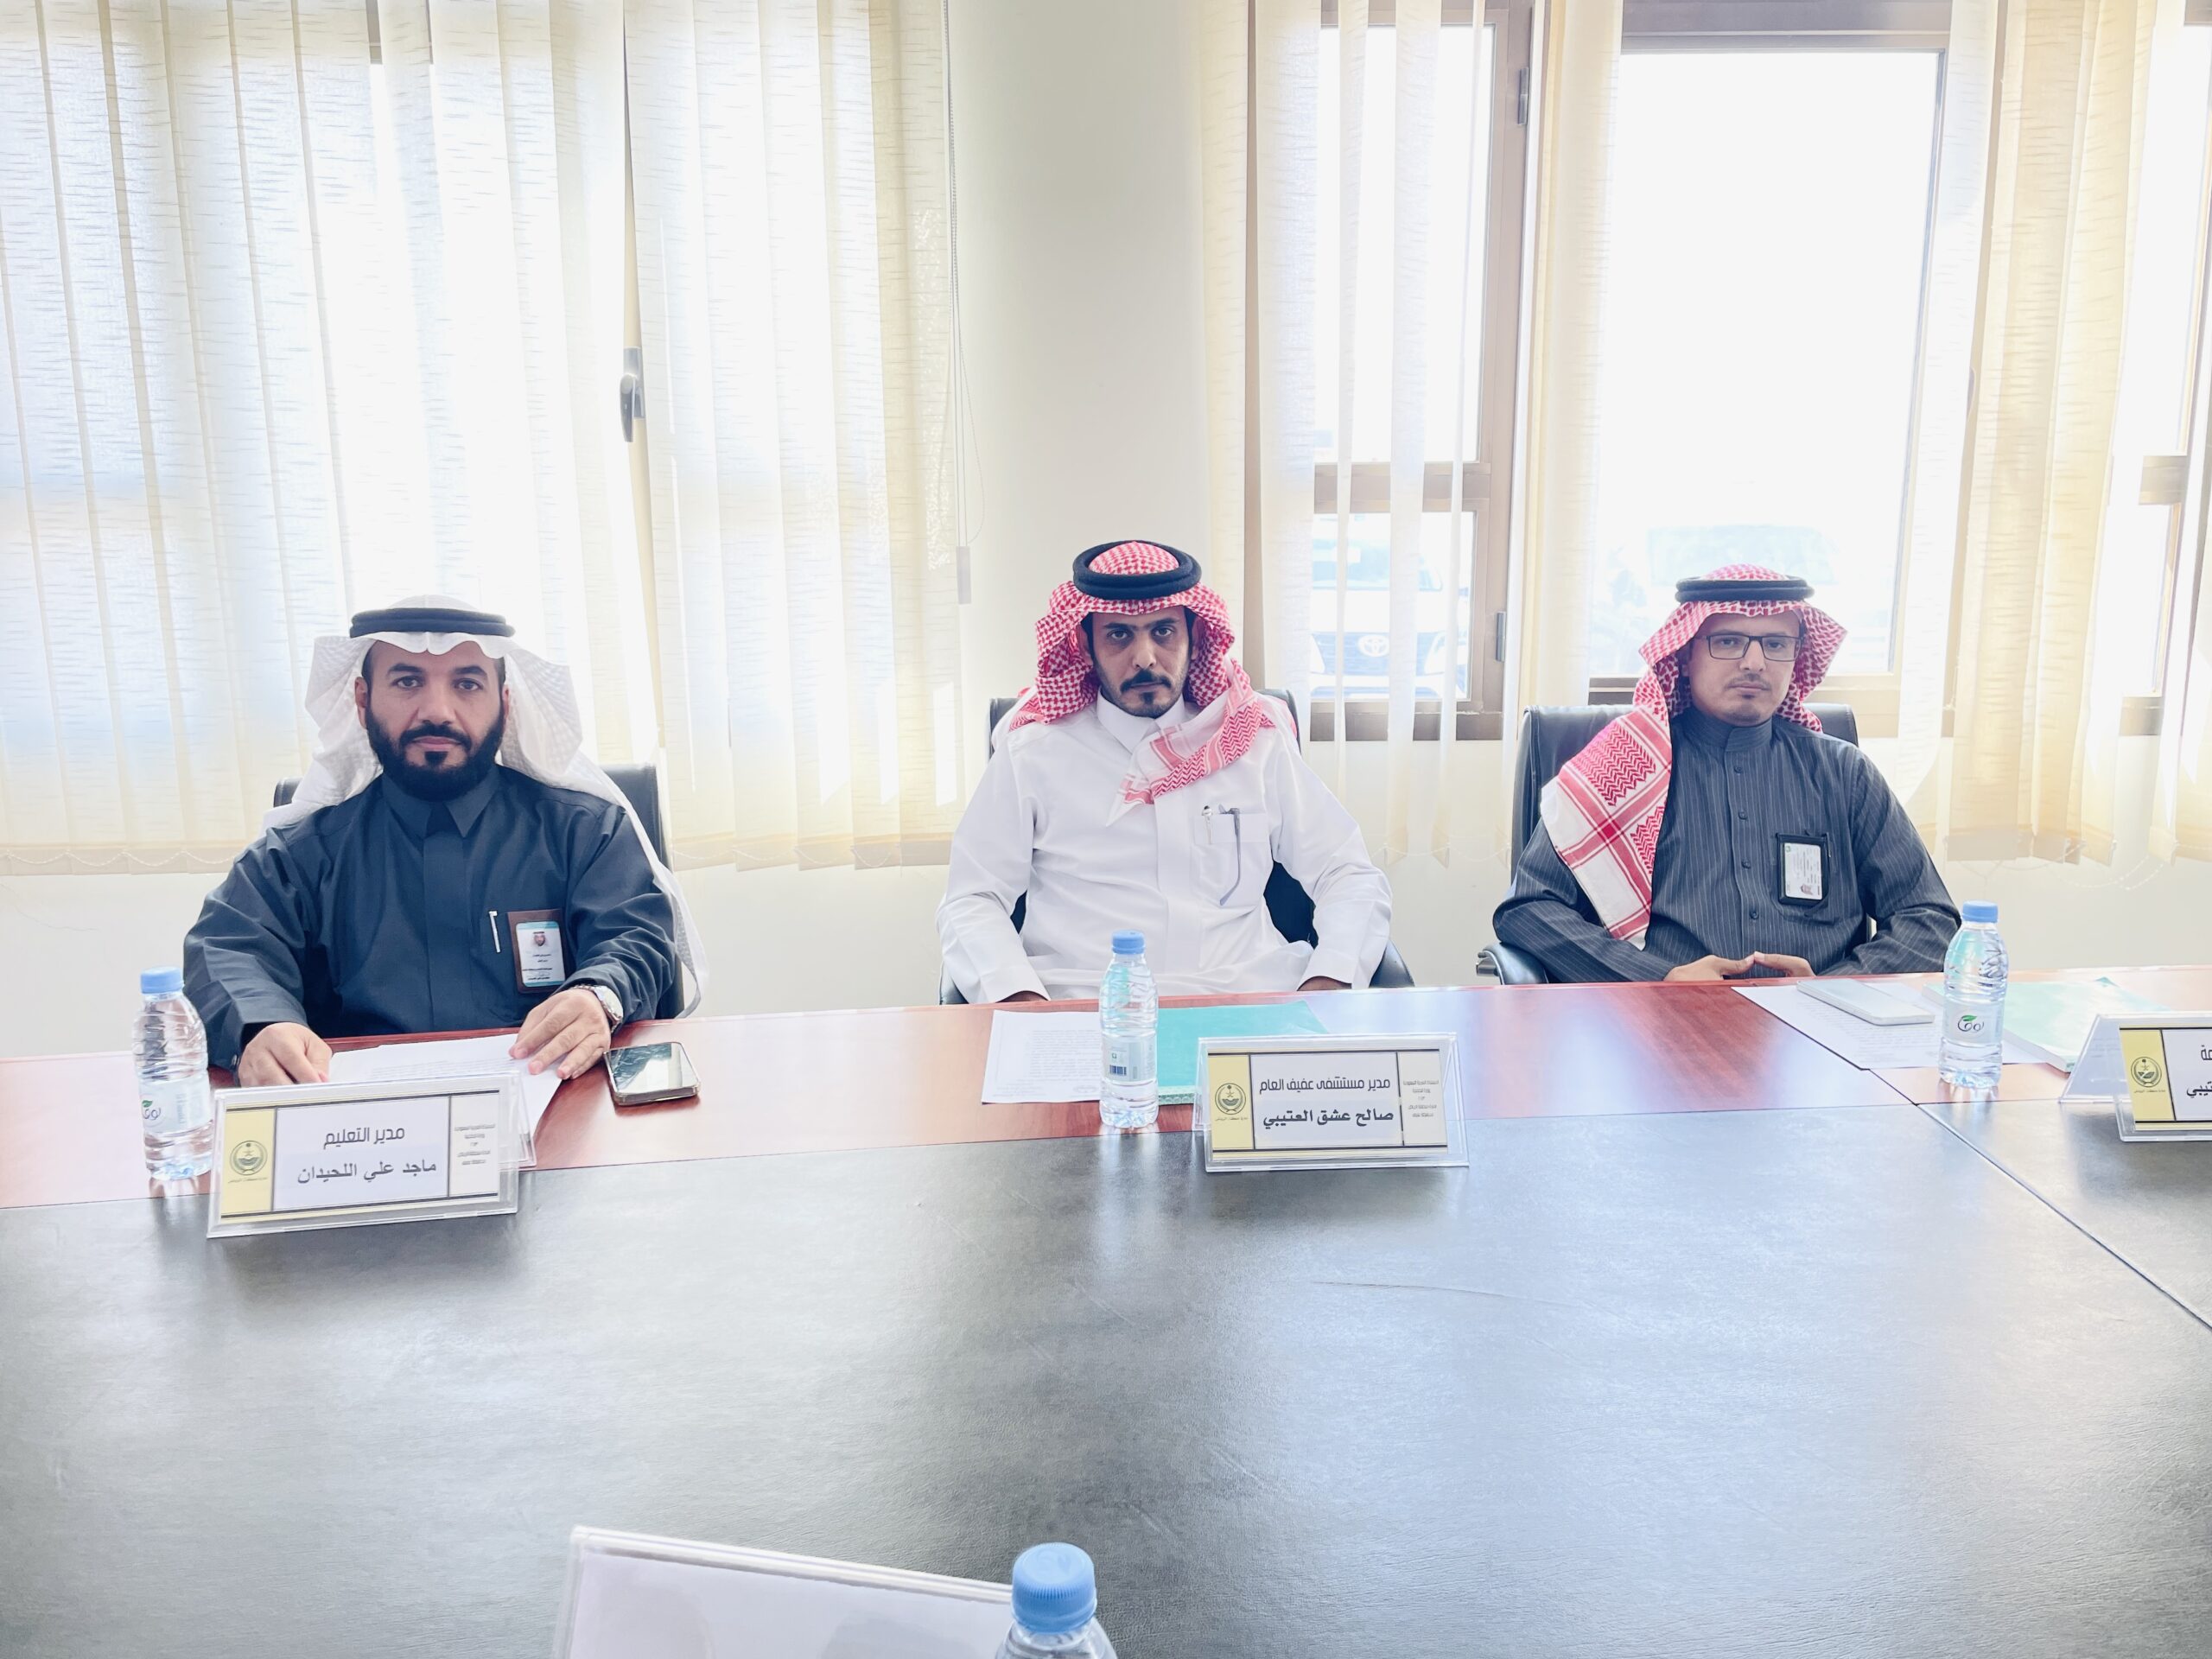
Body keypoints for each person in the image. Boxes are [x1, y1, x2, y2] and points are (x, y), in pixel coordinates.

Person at [185, 599, 704, 1087]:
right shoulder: (299, 856)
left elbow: (635, 936)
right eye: (408, 681)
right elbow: (228, 949)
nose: (438, 711)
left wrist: (599, 996)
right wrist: (261, 1025)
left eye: (467, 684)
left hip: (556, 1099)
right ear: (363, 702)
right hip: (363, 1123)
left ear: (505, 704)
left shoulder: (585, 831)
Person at [938, 540, 1392, 1002]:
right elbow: (972, 898)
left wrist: (1331, 978)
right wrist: (1018, 1000)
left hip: (1247, 997)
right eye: (1119, 634)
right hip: (1082, 1004)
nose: (1144, 657)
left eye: (1163, 631)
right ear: (1085, 644)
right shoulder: (1034, 753)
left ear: (1195, 635)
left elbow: (1348, 874)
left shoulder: (1255, 741)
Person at [1491, 565, 1958, 982]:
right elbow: (1529, 911)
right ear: (1684, 656)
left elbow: (1930, 921)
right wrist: (1658, 979)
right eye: (1729, 641)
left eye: (1776, 644)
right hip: (1660, 1024)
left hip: (1822, 1031)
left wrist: (1833, 988)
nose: (1754, 663)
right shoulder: (1620, 769)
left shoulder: (1844, 773)